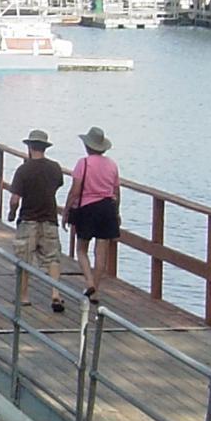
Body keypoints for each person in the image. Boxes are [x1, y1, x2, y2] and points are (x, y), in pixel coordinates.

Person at [6, 128, 66, 314]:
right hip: (49, 218)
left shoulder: (23, 170)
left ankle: (24, 296)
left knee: (24, 257)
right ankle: (55, 293)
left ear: (30, 147)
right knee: (52, 257)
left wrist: (12, 213)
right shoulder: (55, 168)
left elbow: (15, 198)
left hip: (28, 219)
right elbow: (57, 186)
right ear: (45, 147)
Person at [63, 125, 121, 294]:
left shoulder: (83, 163)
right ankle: (95, 289)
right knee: (101, 252)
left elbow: (75, 190)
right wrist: (117, 212)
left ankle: (89, 282)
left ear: (88, 146)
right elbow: (117, 191)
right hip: (107, 208)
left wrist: (67, 209)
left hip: (87, 209)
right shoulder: (112, 165)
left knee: (81, 249)